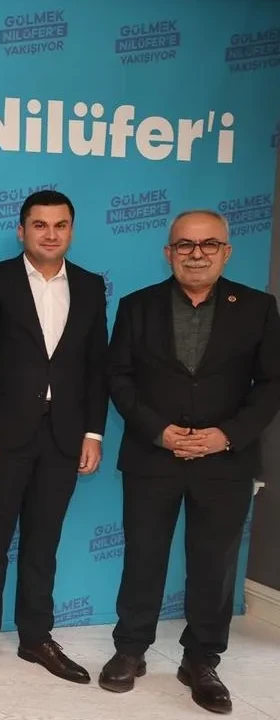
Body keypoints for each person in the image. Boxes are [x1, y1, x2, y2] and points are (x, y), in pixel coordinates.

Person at [100, 209, 280, 715]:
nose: (196, 254)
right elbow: (118, 377)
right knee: (143, 557)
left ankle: (201, 660)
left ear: (226, 251)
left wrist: (227, 435)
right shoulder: (137, 306)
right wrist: (157, 431)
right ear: (169, 252)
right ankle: (130, 650)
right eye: (185, 245)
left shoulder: (258, 307)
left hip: (225, 461)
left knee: (214, 565)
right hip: (152, 457)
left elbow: (272, 383)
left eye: (208, 244)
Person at [0, 190, 109, 685]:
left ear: (71, 230)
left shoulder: (90, 285)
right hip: (1, 436)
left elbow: (96, 366)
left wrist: (93, 432)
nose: (50, 234)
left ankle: (35, 638)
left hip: (64, 437)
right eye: (40, 225)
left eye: (60, 225)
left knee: (43, 544)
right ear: (21, 230)